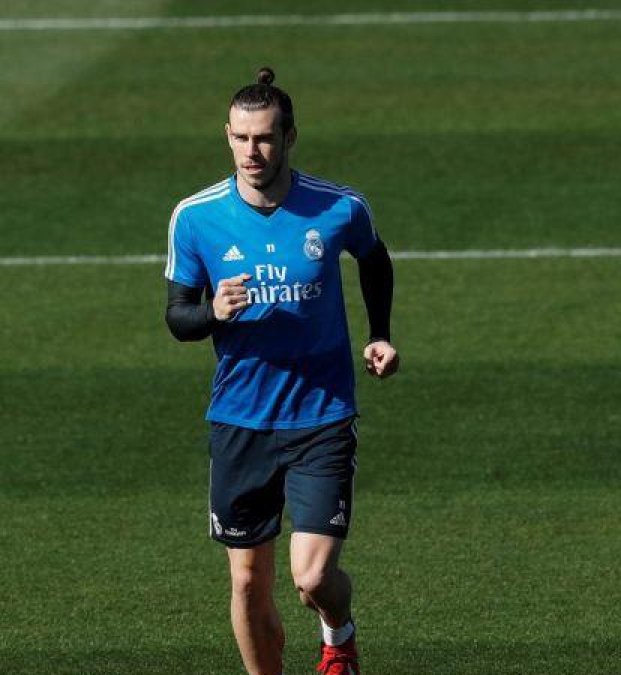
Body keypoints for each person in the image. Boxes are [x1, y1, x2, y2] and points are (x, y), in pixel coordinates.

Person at [164, 67, 398, 675]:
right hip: (240, 419)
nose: (252, 152)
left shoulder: (338, 207)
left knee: (312, 575)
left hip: (321, 414)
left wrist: (380, 334)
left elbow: (374, 260)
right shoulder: (195, 217)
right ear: (227, 136)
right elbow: (177, 317)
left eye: (264, 138)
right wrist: (212, 310)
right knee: (247, 584)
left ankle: (338, 634)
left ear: (289, 136)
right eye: (240, 138)